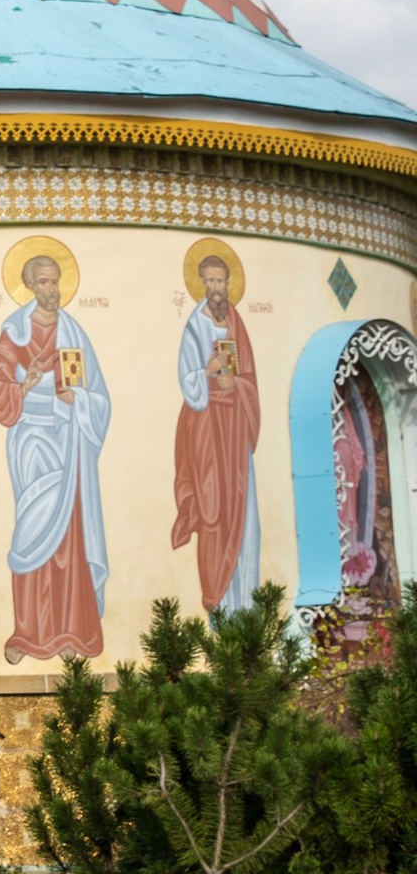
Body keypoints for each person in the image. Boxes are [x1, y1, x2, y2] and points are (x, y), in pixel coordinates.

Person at [0, 250, 110, 664]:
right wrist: (24, 386)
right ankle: (28, 632)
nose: (51, 289)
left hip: (67, 439)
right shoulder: (14, 332)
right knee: (31, 529)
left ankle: (73, 629)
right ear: (30, 286)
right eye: (43, 282)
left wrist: (78, 399)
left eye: (55, 281)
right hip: (29, 439)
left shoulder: (76, 335)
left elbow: (100, 398)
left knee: (69, 536)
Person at [172, 250, 260, 618]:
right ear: (201, 284)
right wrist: (209, 371)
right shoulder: (194, 326)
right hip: (207, 434)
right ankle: (218, 604)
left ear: (229, 283)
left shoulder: (237, 324)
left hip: (235, 432)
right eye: (208, 281)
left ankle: (249, 606)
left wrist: (235, 383)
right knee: (212, 511)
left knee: (244, 512)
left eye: (220, 281)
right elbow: (188, 383)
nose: (215, 288)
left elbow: (250, 378)